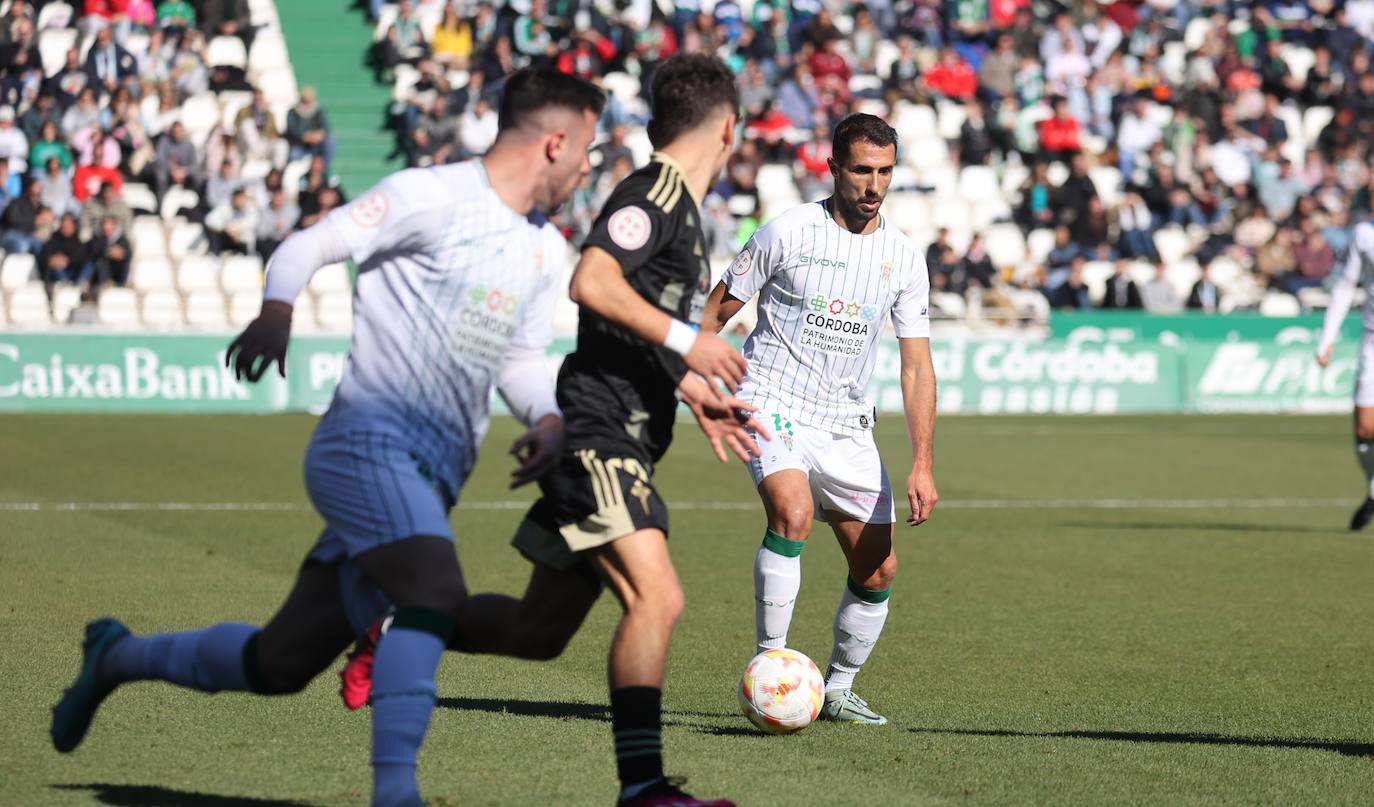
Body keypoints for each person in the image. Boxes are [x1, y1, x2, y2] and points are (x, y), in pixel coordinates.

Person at [50, 67, 609, 807]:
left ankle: (117, 656)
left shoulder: (543, 250)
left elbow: (517, 358)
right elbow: (309, 244)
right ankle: (396, 795)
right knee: (435, 588)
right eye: (588, 152)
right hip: (364, 443)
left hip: (430, 475)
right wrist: (277, 309)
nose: (588, 169)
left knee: (278, 661)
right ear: (556, 142)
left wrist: (546, 419)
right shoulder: (431, 195)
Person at [338, 53, 758, 807]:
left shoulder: (680, 208)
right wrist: (690, 341)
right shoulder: (654, 192)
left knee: (538, 632)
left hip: (623, 432)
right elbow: (590, 280)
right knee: (657, 597)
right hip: (600, 435)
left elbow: (626, 328)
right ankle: (645, 788)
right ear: (728, 128)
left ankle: (394, 622)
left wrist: (690, 385)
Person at [700, 114, 938, 726]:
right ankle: (770, 669)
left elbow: (916, 367)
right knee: (793, 512)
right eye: (861, 169)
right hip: (771, 396)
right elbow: (716, 313)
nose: (873, 184)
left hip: (846, 422)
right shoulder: (786, 232)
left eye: (884, 171)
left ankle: (837, 688)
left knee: (879, 566)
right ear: (832, 168)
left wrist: (922, 462)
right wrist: (694, 380)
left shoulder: (904, 258)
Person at [1316, 220, 1374, 530]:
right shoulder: (1364, 234)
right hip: (1372, 343)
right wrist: (1327, 336)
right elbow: (1345, 285)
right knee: (1365, 429)